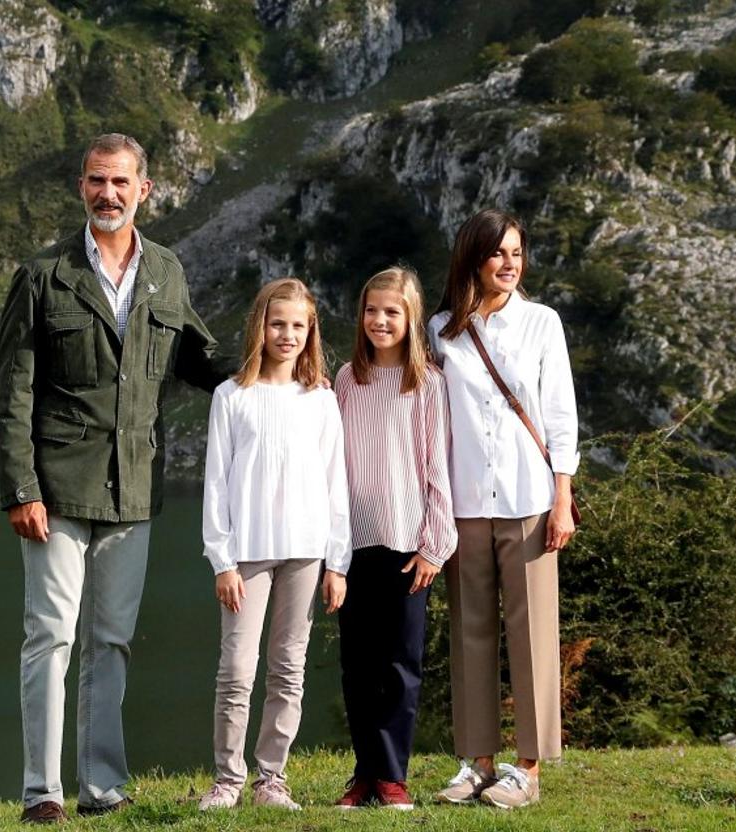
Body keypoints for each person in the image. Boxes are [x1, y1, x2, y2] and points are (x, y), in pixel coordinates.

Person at [0, 133, 227, 824]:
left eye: (121, 183)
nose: (109, 194)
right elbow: (11, 392)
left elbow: (199, 358)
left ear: (144, 189)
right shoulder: (43, 275)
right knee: (51, 635)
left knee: (112, 640)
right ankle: (42, 791)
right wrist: (20, 487)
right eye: (97, 181)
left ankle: (101, 788)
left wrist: (275, 377)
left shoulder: (166, 272)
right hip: (57, 484)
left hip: (134, 486)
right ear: (81, 187)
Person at [427, 209, 579, 809]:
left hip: (529, 502)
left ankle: (528, 770)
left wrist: (563, 498)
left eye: (517, 252)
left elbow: (561, 416)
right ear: (473, 259)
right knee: (470, 633)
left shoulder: (542, 323)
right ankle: (477, 764)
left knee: (532, 634)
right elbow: (432, 420)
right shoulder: (441, 329)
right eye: (498, 253)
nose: (510, 263)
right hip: (464, 502)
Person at [198, 277, 351, 812]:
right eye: (277, 323)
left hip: (307, 552)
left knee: (289, 667)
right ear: (259, 327)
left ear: (311, 333)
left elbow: (337, 486)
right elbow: (216, 483)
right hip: (247, 554)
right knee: (237, 668)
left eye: (298, 326)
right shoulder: (231, 397)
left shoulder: (321, 400)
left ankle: (271, 778)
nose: (287, 334)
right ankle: (226, 779)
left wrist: (338, 562)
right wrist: (222, 559)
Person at [332, 266, 457, 811]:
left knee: (400, 663)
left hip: (409, 541)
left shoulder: (428, 382)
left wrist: (435, 542)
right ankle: (363, 774)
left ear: (411, 319)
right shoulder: (345, 379)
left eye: (392, 312)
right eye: (372, 310)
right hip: (353, 541)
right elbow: (330, 465)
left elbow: (438, 467)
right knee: (358, 662)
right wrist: (328, 546)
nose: (380, 321)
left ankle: (392, 776)